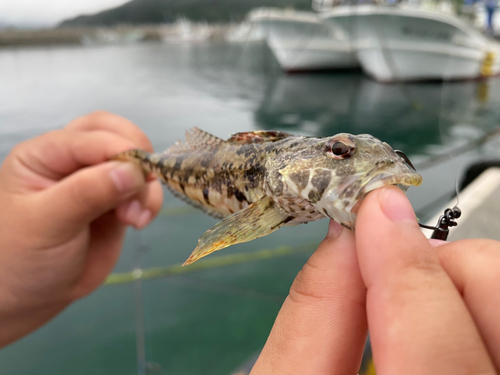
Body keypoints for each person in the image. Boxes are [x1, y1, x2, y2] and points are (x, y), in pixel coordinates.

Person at [0, 112, 498, 374]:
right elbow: (227, 229)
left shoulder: (314, 179)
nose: (365, 165)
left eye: (387, 155)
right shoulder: (272, 186)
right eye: (342, 154)